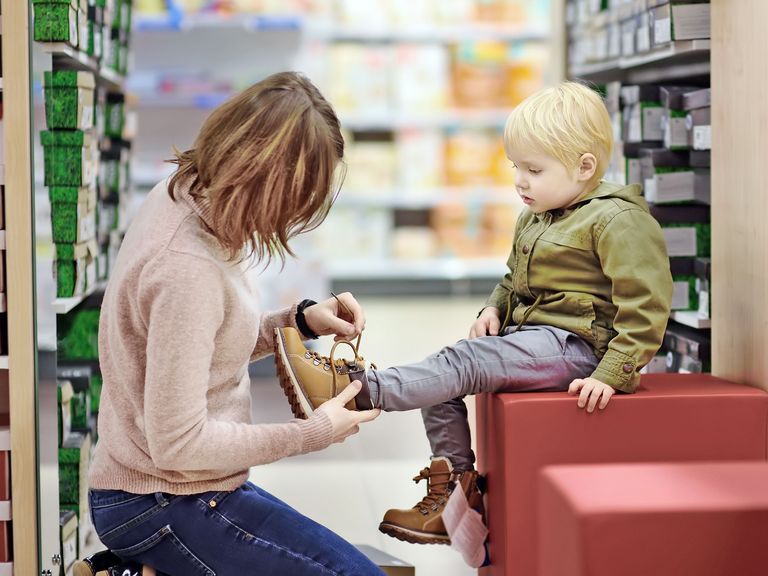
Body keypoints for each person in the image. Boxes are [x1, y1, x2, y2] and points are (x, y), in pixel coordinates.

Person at [273, 81, 673, 566]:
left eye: (534, 170)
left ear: (584, 167)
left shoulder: (618, 220)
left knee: (462, 362)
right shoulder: (537, 217)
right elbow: (511, 280)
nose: (520, 182)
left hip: (580, 348)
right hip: (535, 338)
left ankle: (356, 390)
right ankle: (454, 498)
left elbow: (647, 304)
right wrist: (492, 309)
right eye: (515, 167)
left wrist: (612, 373)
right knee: (442, 379)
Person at [72, 72, 383, 576]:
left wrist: (297, 322)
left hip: (181, 485)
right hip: (159, 500)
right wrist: (313, 433)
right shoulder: (187, 268)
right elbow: (179, 444)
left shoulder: (186, 194)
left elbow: (204, 344)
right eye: (293, 203)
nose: (289, 220)